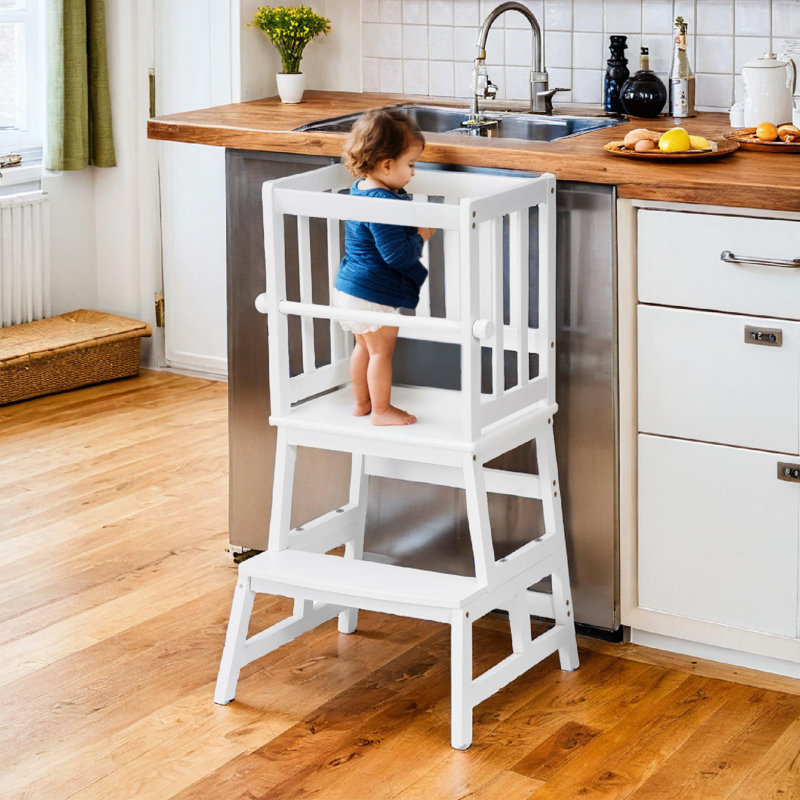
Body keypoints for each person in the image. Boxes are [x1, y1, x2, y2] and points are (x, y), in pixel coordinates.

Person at [334, 109, 435, 426]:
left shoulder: (361, 188)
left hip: (349, 289)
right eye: (411, 164)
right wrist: (421, 235)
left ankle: (361, 403)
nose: (414, 173)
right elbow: (396, 255)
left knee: (362, 348)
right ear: (387, 164)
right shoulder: (384, 204)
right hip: (373, 295)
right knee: (380, 354)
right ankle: (380, 410)